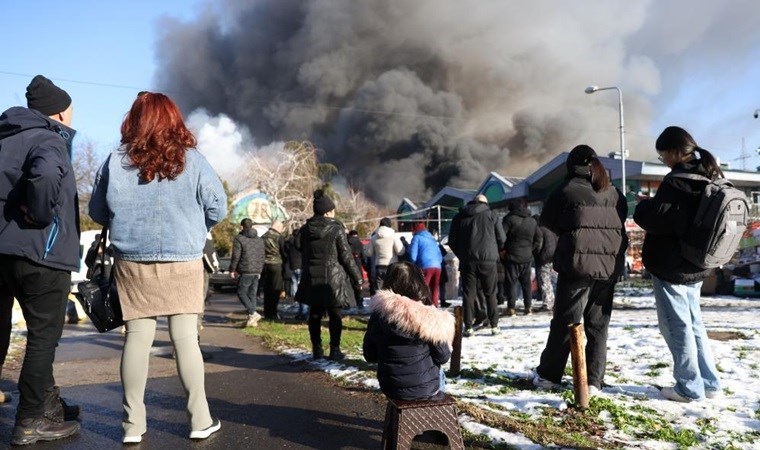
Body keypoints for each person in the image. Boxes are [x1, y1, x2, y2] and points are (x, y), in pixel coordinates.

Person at [89, 91, 226, 443]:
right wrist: (196, 227)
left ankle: (133, 427)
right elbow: (218, 208)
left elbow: (97, 212)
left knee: (137, 339)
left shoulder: (115, 161)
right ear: (173, 119)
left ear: (135, 120)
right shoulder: (193, 160)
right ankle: (200, 420)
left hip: (132, 262)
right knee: (185, 341)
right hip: (184, 260)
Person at [0, 75, 82, 445]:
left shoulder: (5, 136)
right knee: (42, 338)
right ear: (60, 114)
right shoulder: (49, 137)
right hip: (40, 255)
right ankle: (31, 419)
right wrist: (40, 214)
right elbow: (47, 173)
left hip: (2, 253)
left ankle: (48, 404)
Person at [633, 126, 723, 402]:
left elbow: (659, 221)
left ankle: (688, 387)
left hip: (672, 266)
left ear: (673, 152)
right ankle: (708, 382)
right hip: (696, 263)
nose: (664, 161)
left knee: (676, 325)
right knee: (694, 323)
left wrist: (644, 206)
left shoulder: (676, 182)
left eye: (662, 157)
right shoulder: (708, 174)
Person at [533, 145, 627, 396]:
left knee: (566, 322)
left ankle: (549, 376)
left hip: (577, 268)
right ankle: (594, 380)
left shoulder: (565, 191)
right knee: (598, 326)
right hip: (608, 269)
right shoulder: (615, 193)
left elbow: (549, 224)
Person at [363, 261, 455, 400]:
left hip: (389, 386)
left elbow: (370, 355)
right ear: (418, 282)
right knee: (439, 372)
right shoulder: (427, 316)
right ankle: (434, 412)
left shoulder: (378, 314)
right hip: (425, 387)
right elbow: (443, 357)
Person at [298, 190, 362, 361]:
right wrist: (357, 277)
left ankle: (317, 349)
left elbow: (300, 250)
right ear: (328, 211)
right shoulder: (336, 229)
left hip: (311, 276)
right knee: (335, 314)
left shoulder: (305, 230)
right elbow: (346, 256)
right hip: (333, 278)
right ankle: (335, 349)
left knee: (315, 313)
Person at [448, 194, 505, 337]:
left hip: (468, 261)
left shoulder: (459, 216)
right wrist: (493, 251)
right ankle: (494, 325)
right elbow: (502, 238)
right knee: (490, 293)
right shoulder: (492, 215)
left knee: (468, 294)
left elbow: (452, 241)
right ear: (485, 203)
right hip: (488, 261)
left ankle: (468, 327)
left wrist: (462, 255)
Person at [502, 200, 542, 316]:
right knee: (526, 284)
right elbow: (539, 239)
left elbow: (501, 237)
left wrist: (503, 251)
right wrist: (531, 249)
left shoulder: (508, 219)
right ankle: (528, 307)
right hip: (527, 257)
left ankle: (511, 308)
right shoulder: (532, 221)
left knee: (511, 284)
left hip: (511, 257)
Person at [229, 219, 265, 328]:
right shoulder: (259, 240)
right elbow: (262, 256)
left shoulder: (239, 239)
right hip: (256, 271)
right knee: (252, 294)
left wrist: (232, 269)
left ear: (242, 227)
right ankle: (252, 320)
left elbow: (236, 256)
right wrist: (260, 270)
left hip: (245, 270)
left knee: (241, 292)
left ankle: (253, 313)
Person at [408, 222, 444, 307]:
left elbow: (413, 255)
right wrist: (437, 263)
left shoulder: (417, 238)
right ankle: (434, 306)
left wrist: (413, 264)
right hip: (437, 267)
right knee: (435, 287)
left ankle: (423, 306)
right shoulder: (432, 239)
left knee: (423, 287)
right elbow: (440, 255)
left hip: (425, 265)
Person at [366, 218, 405, 291]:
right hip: (392, 265)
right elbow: (400, 251)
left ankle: (380, 302)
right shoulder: (393, 236)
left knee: (380, 290)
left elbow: (368, 253)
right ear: (390, 225)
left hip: (379, 266)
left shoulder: (374, 237)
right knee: (392, 289)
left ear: (380, 225)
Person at [261, 221, 286, 320]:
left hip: (265, 265)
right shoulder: (279, 237)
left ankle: (267, 312)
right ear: (278, 227)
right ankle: (273, 313)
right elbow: (283, 251)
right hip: (276, 265)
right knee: (275, 290)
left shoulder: (263, 236)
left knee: (267, 290)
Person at [533, 215, 558, 312]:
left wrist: (536, 254)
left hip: (544, 258)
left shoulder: (540, 230)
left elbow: (539, 244)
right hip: (554, 257)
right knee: (553, 281)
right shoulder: (551, 230)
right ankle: (554, 301)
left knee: (545, 281)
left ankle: (548, 303)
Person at [285, 227, 306, 319]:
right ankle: (304, 311)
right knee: (303, 288)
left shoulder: (289, 242)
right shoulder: (302, 243)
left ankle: (295, 299)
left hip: (293, 266)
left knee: (295, 284)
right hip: (302, 266)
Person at [347, 230, 365, 308]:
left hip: (348, 263)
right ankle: (360, 302)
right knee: (358, 283)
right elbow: (363, 256)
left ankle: (350, 303)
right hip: (357, 263)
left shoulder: (346, 241)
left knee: (349, 283)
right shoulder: (359, 243)